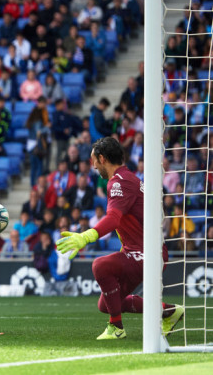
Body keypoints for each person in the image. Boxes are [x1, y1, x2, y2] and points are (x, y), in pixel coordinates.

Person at [57, 137, 184, 340]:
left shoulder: (119, 182)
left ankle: (116, 327)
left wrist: (87, 236)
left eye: (94, 160)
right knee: (105, 303)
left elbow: (113, 218)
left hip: (146, 253)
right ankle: (168, 311)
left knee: (100, 266)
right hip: (142, 250)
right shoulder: (127, 179)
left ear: (102, 158)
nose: (93, 165)